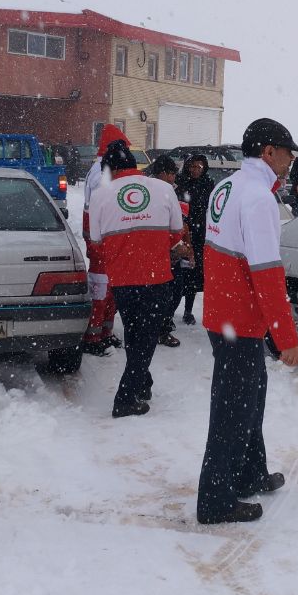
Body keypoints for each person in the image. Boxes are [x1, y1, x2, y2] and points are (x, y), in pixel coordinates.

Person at [196, 118, 298, 525]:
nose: (292, 158)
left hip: (224, 317)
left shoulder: (227, 186)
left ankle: (249, 473)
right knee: (232, 411)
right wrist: (286, 336)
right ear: (268, 152)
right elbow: (267, 274)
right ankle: (216, 501)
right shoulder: (258, 198)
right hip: (238, 322)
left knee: (249, 397)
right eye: (287, 150)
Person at [88, 139, 189, 417]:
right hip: (156, 278)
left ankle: (143, 382)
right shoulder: (164, 189)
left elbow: (96, 242)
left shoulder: (100, 196)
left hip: (121, 281)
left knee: (135, 333)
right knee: (144, 338)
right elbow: (177, 232)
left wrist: (123, 246)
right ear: (134, 166)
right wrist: (152, 244)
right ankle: (125, 398)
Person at [81, 125, 130, 356]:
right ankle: (92, 337)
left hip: (104, 234)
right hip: (101, 236)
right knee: (101, 289)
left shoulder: (104, 169)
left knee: (110, 288)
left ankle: (105, 332)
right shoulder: (101, 173)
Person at [148, 153, 186, 348]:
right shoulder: (157, 191)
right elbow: (174, 223)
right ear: (162, 173)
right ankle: (160, 329)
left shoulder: (170, 190)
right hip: (160, 251)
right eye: (171, 173)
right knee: (164, 294)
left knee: (174, 291)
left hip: (170, 251)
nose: (173, 177)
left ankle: (161, 326)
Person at [175, 154, 214, 324]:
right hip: (181, 230)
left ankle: (188, 311)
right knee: (177, 273)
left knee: (193, 273)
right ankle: (169, 311)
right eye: (192, 166)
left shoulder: (208, 184)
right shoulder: (181, 183)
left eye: (199, 167)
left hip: (201, 233)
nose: (195, 170)